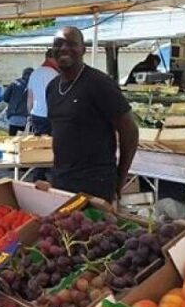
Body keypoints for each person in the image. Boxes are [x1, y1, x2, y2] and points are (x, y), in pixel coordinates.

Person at [46, 26, 140, 202]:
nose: (64, 48)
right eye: (59, 43)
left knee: (91, 230)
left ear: (83, 49)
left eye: (71, 44)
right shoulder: (52, 87)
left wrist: (119, 178)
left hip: (95, 186)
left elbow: (130, 132)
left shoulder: (99, 84)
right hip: (61, 181)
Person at [26, 49, 58, 135]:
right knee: (50, 144)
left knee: (38, 143)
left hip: (36, 114)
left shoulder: (34, 73)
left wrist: (29, 114)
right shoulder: (55, 74)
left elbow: (30, 97)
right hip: (50, 115)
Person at [2, 68, 33, 135]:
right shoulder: (32, 86)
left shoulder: (14, 83)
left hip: (13, 115)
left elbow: (5, 98)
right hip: (25, 117)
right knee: (21, 139)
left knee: (12, 138)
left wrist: (12, 102)